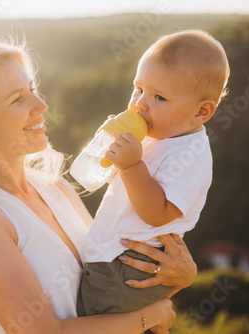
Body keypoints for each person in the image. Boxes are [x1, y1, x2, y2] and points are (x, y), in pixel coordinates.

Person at [0, 37, 197, 334]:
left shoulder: (57, 189)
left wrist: (178, 276)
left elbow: (111, 293)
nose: (41, 105)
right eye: (17, 99)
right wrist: (148, 318)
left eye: (32, 90)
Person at [78, 30, 230, 316]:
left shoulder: (190, 158)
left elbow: (156, 213)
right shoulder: (158, 134)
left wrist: (132, 165)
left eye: (159, 96)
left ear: (201, 112)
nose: (139, 104)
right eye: (138, 89)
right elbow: (116, 183)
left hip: (128, 266)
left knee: (94, 319)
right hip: (114, 257)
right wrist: (108, 151)